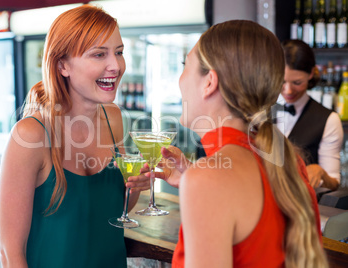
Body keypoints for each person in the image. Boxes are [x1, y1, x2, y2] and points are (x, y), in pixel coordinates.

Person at [133, 20, 328, 267]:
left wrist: (199, 182)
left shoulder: (210, 179)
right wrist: (192, 179)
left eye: (186, 65)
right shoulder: (287, 160)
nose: (180, 80)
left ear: (209, 82)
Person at [0, 5, 149, 267]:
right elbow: (11, 253)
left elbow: (117, 209)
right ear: (63, 65)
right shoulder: (30, 135)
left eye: (119, 52)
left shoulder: (113, 118)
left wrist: (139, 184)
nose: (116, 65)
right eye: (99, 54)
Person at [276, 39, 343, 191]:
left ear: (311, 73)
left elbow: (334, 183)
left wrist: (321, 173)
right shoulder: (261, 110)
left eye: (297, 82)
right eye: (282, 81)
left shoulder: (328, 120)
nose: (288, 90)